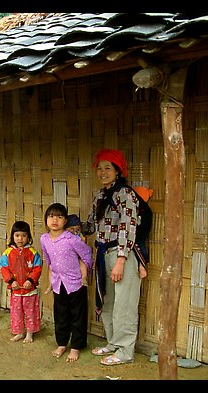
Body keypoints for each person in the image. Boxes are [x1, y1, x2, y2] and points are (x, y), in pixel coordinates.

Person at [81, 148, 148, 366]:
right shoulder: (101, 195)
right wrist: (72, 227)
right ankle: (112, 342)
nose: (102, 172)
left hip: (123, 254)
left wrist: (120, 260)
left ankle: (125, 350)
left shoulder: (125, 194)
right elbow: (91, 225)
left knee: (124, 304)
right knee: (108, 301)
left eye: (107, 168)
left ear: (118, 171)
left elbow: (128, 228)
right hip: (103, 253)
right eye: (99, 168)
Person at [40, 203, 93, 362]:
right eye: (51, 216)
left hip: (75, 283)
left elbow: (87, 253)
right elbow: (48, 260)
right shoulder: (44, 239)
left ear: (65, 221)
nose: (55, 220)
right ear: (46, 220)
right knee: (61, 315)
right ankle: (62, 344)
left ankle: (76, 346)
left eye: (59, 217)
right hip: (58, 283)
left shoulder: (71, 239)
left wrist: (85, 273)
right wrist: (50, 280)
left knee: (77, 316)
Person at [0, 220, 42, 343]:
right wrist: (11, 281)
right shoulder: (7, 253)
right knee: (16, 312)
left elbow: (37, 268)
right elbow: (3, 268)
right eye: (17, 235)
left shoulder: (33, 253)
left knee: (30, 312)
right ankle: (19, 332)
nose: (20, 238)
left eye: (23, 235)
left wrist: (30, 280)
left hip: (30, 290)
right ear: (13, 236)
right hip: (16, 290)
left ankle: (29, 334)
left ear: (28, 237)